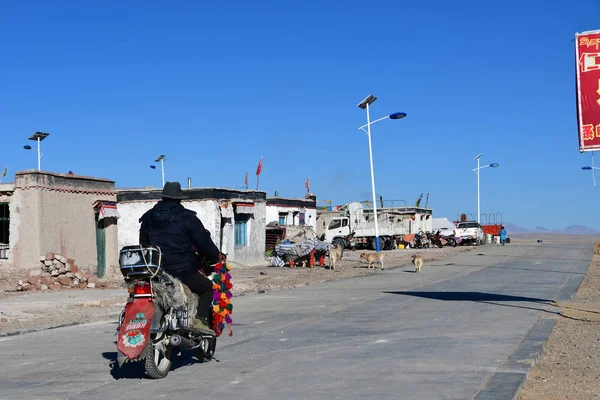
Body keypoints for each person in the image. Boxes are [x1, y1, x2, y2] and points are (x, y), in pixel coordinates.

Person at [139, 181, 224, 334]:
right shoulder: (188, 218)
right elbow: (206, 246)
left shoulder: (148, 218)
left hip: (156, 271)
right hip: (184, 271)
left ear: (163, 198)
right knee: (207, 289)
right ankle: (201, 322)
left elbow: (143, 245)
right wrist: (213, 257)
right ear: (179, 199)